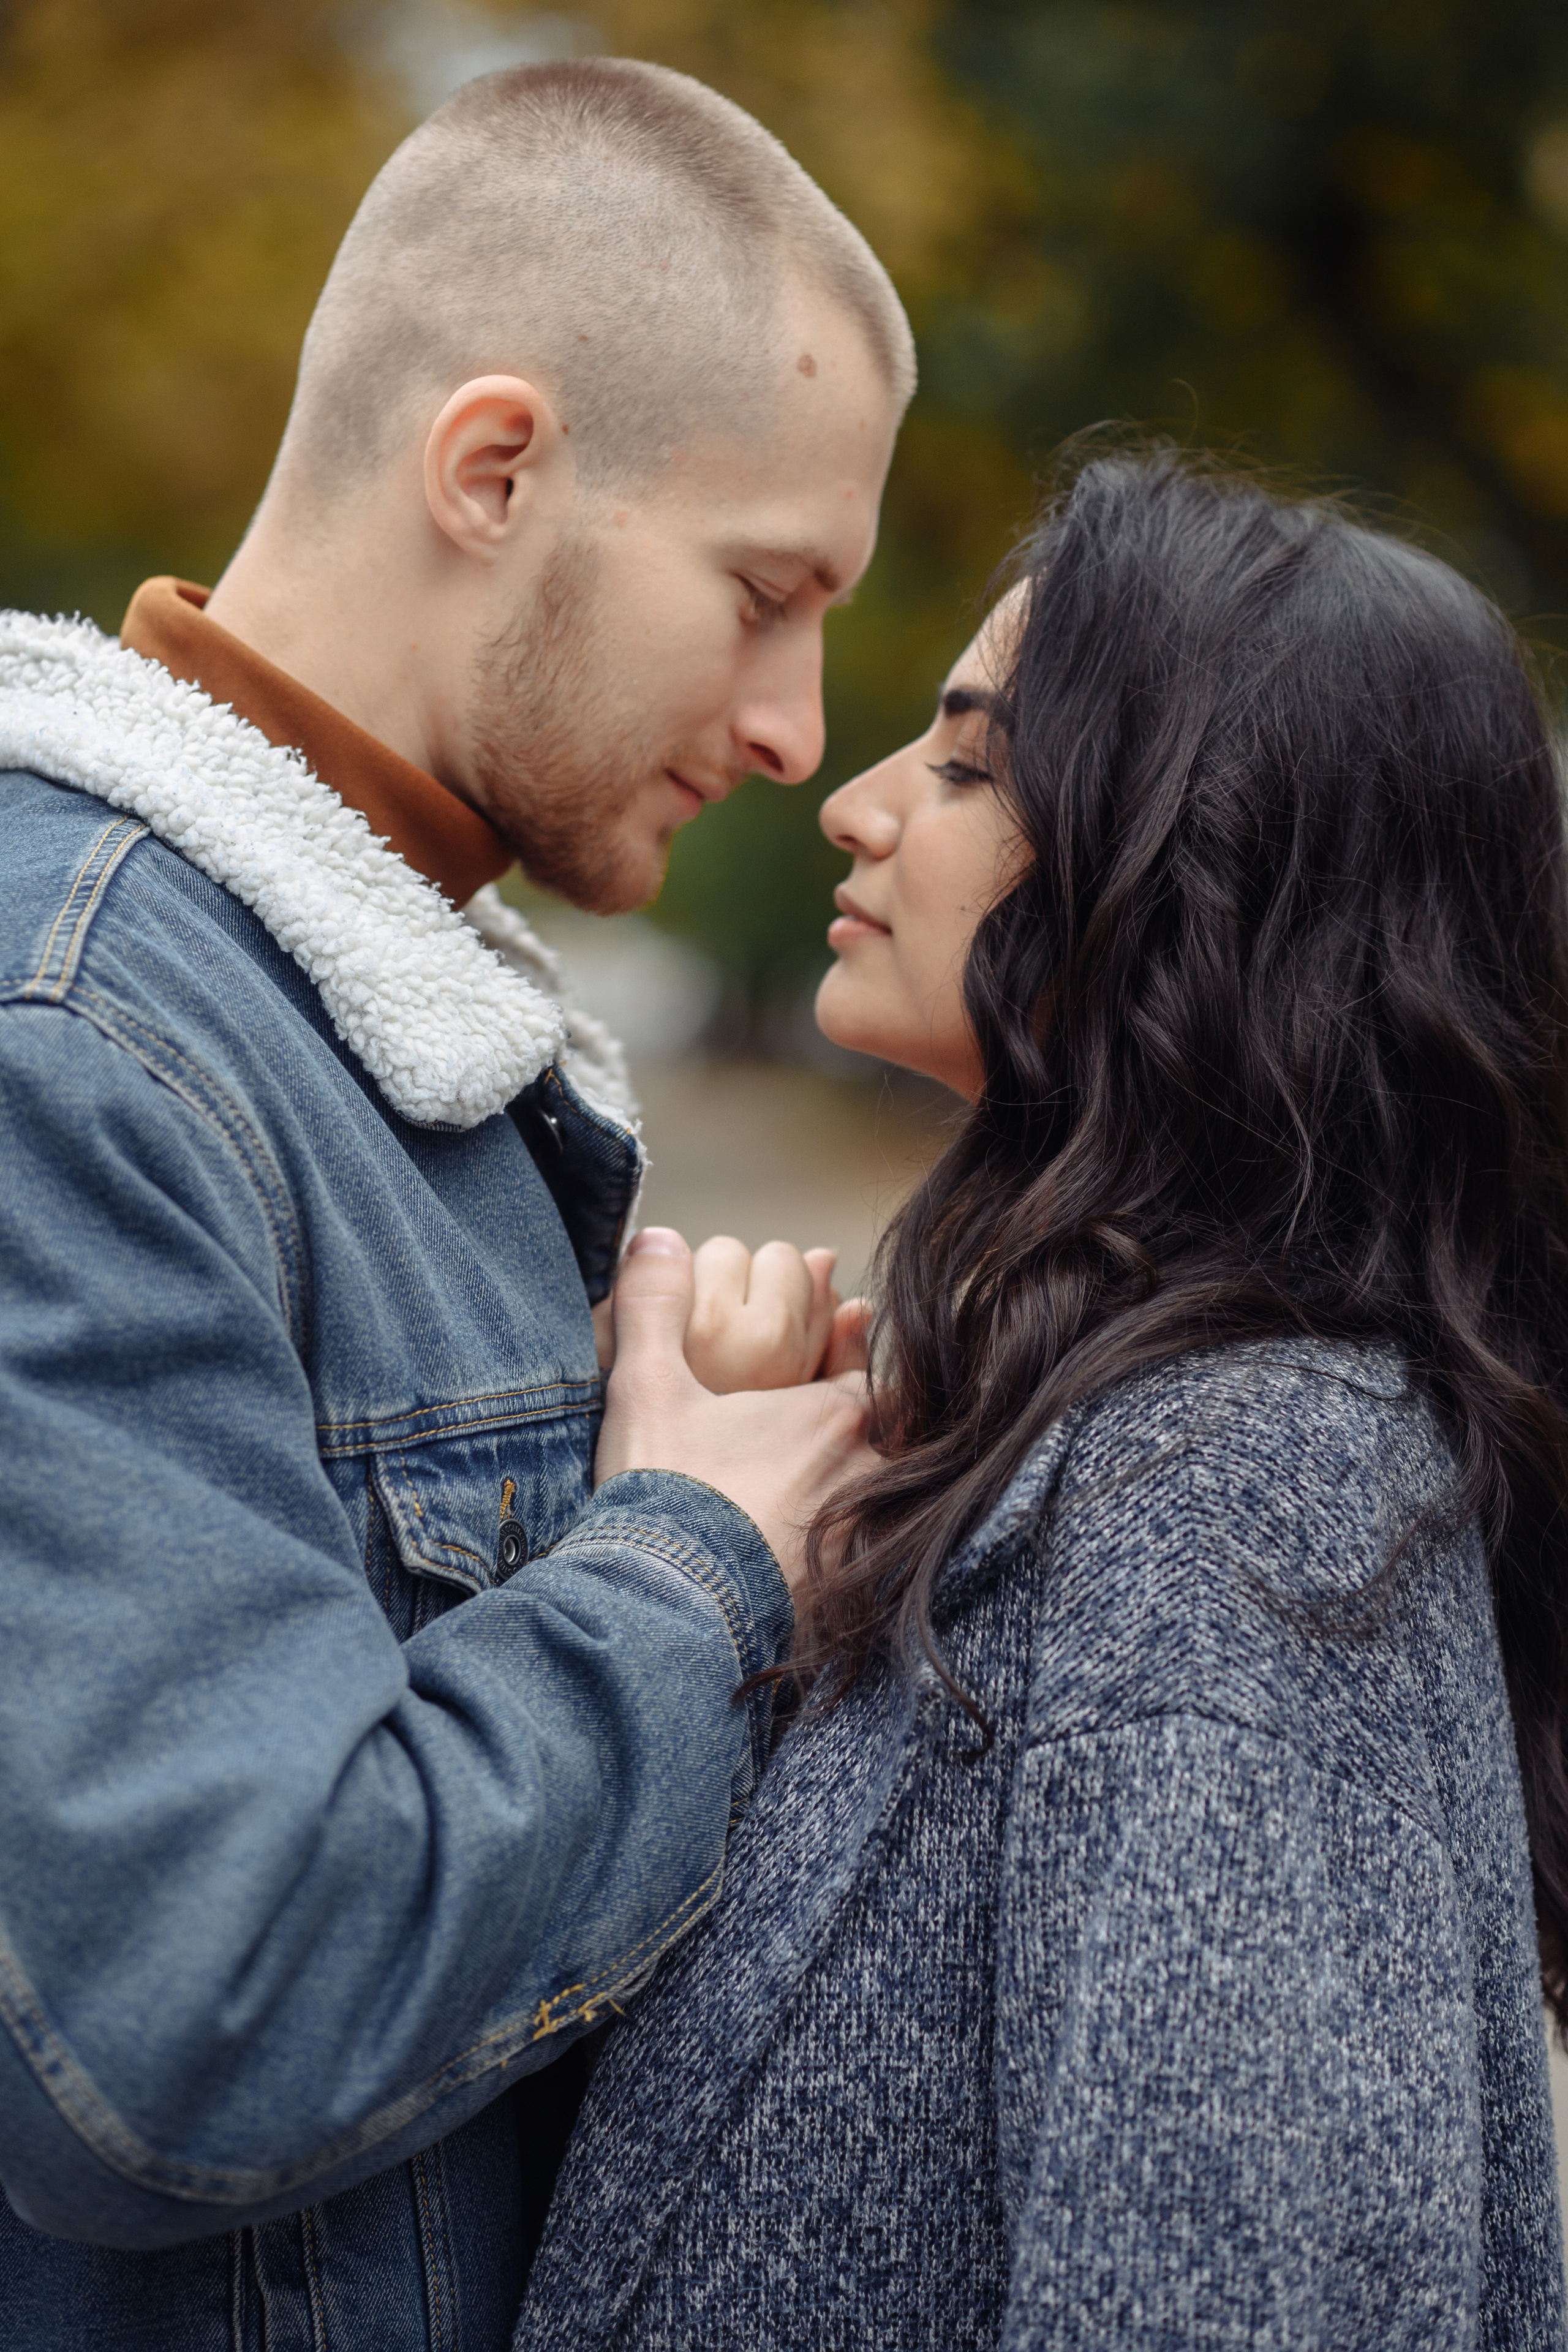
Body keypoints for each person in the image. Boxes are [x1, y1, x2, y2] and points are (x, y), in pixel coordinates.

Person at [0, 57, 908, 2352]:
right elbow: (190, 2011)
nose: (799, 731)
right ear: (494, 470)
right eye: (763, 593)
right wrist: (691, 1563)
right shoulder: (78, 1049)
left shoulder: (387, 1033)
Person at [516, 450, 1568, 2350]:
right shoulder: (1116, 1435)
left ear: (1206, 865)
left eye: (965, 766)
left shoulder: (1241, 1488)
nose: (851, 803)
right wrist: (728, 1544)